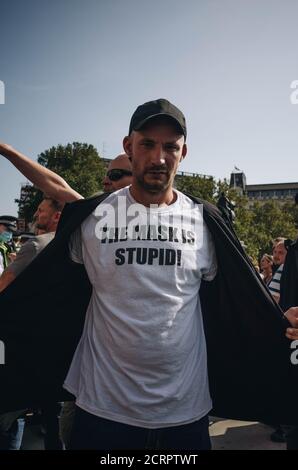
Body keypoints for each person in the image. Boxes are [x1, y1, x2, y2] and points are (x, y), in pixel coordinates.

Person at [1, 99, 298, 451]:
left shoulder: (205, 221)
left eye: (170, 147)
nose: (159, 158)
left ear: (183, 152)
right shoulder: (91, 218)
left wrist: (281, 325)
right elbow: (51, 293)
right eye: (147, 144)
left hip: (185, 416)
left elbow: (238, 299)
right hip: (102, 413)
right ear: (129, 148)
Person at [0, 142, 132, 202]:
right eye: (106, 176)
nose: (105, 181)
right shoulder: (95, 212)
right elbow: (57, 187)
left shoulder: (152, 215)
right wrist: (7, 151)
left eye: (115, 175)